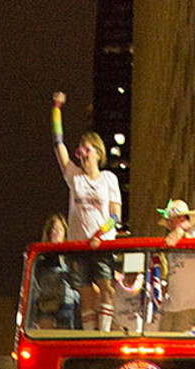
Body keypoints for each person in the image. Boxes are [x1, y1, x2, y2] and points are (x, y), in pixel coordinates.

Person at [50, 92, 122, 332]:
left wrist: (99, 235)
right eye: (80, 148)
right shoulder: (74, 177)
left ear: (98, 152)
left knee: (106, 286)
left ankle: (103, 332)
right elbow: (58, 143)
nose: (82, 151)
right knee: (85, 292)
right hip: (79, 245)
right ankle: (91, 335)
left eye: (87, 148)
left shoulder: (108, 179)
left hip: (101, 244)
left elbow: (115, 217)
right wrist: (57, 108)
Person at [156, 199, 195, 333]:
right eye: (169, 221)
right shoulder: (172, 242)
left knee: (178, 346)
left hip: (189, 305)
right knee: (162, 344)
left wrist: (180, 233)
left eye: (173, 220)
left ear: (184, 218)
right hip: (171, 304)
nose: (170, 224)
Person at [33, 214, 78, 330]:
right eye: (54, 229)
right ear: (48, 232)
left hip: (66, 302)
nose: (57, 232)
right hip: (46, 302)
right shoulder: (40, 256)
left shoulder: (71, 256)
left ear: (65, 233)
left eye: (60, 229)